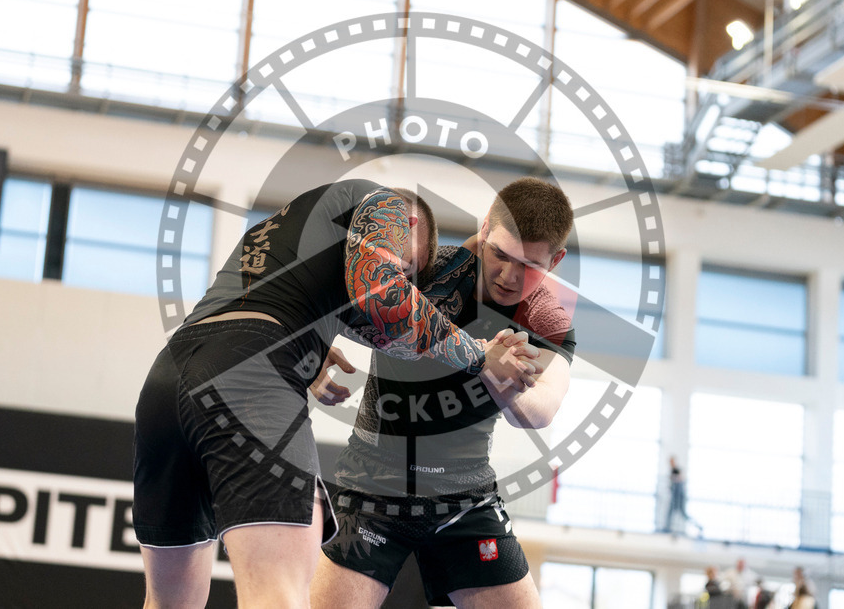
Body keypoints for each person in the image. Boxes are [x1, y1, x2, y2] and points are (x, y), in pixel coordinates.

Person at [132, 179, 540, 608]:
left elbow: (361, 318)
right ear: (410, 223)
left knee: (169, 602)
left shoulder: (295, 226)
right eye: (408, 267)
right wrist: (479, 355)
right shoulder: (388, 206)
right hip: (249, 380)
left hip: (168, 381)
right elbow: (384, 295)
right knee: (278, 594)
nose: (405, 278)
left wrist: (312, 346)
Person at [310, 177, 576, 608]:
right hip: (374, 484)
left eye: (529, 267)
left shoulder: (546, 318)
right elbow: (329, 295)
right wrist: (312, 353)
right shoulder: (433, 268)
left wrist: (501, 379)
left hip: (465, 499)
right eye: (500, 255)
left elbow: (542, 409)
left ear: (556, 260)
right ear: (485, 228)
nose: (508, 276)